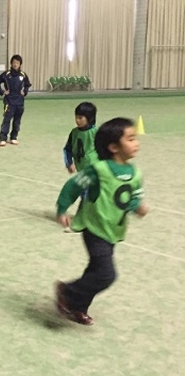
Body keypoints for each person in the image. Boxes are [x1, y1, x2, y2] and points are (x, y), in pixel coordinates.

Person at [55, 117, 148, 325]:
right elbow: (74, 186)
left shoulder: (135, 173)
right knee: (106, 274)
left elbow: (130, 198)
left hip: (113, 230)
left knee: (95, 271)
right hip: (94, 227)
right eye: (131, 139)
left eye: (136, 138)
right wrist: (62, 209)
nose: (136, 143)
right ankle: (67, 291)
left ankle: (78, 306)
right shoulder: (99, 170)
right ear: (114, 147)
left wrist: (138, 207)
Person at [0, 54, 31, 146]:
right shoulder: (6, 74)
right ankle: (3, 138)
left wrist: (25, 92)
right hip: (9, 101)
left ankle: (13, 137)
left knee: (17, 120)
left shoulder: (23, 75)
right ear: (11, 63)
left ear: (20, 64)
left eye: (17, 63)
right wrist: (2, 91)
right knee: (7, 119)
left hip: (20, 101)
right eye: (14, 62)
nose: (15, 64)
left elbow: (27, 84)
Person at [63, 102, 98, 174]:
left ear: (89, 118)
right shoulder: (74, 133)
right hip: (81, 170)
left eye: (80, 118)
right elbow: (67, 149)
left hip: (95, 169)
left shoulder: (96, 132)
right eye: (76, 117)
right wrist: (69, 163)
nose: (77, 120)